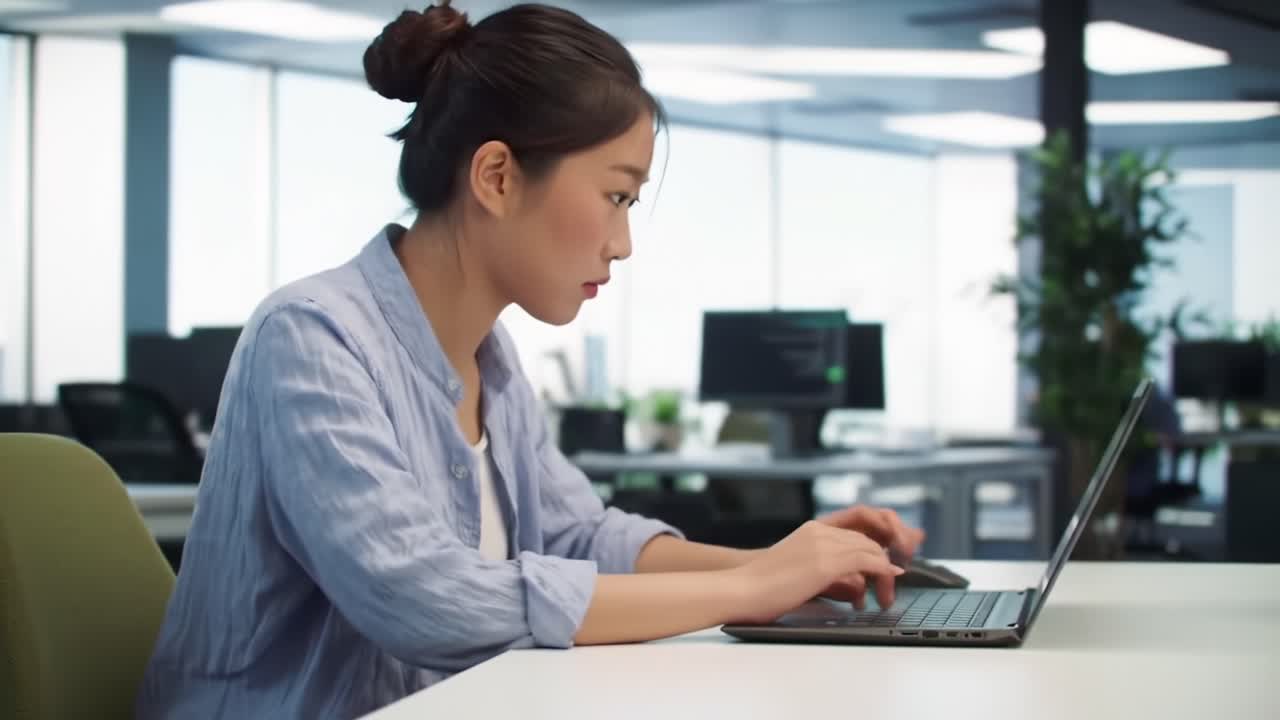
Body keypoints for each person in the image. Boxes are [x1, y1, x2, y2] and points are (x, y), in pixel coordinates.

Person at [136, 3, 924, 718]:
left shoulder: (493, 361)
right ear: (497, 177)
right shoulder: (311, 337)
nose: (622, 244)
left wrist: (788, 566)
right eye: (617, 197)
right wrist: (748, 589)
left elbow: (580, 539)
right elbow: (421, 599)